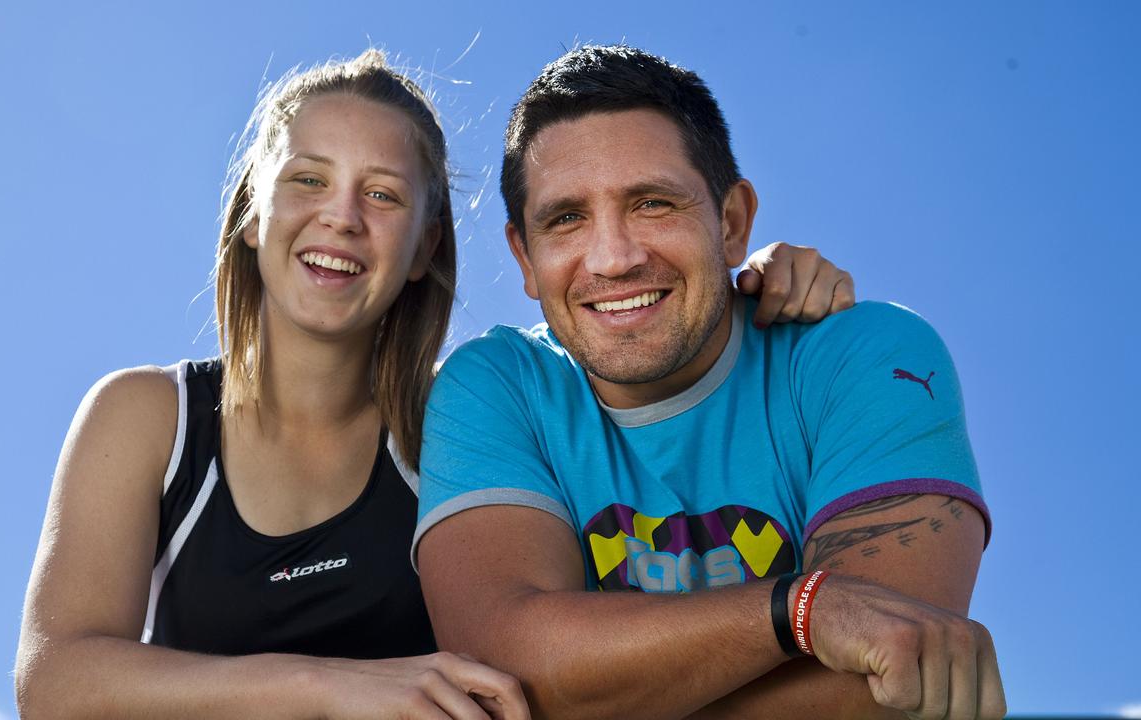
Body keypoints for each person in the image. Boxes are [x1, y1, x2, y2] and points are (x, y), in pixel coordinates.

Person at [14, 50, 855, 718]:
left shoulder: (468, 423)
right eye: (307, 179)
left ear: (425, 248)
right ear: (250, 212)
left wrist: (749, 281)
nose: (341, 215)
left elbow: (627, 355)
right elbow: (56, 682)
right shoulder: (147, 417)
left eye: (382, 194)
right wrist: (331, 690)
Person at [415, 45, 1005, 720]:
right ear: (524, 256)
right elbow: (503, 670)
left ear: (730, 223)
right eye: (566, 219)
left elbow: (886, 680)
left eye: (652, 203)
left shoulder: (870, 358)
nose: (613, 257)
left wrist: (592, 687)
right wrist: (801, 611)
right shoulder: (495, 388)